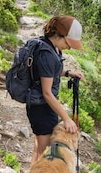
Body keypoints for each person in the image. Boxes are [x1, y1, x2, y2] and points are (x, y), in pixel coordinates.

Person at [26, 15, 84, 165]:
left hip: (41, 106)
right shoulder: (47, 55)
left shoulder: (50, 47)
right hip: (42, 108)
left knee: (39, 148)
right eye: (68, 43)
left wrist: (67, 73)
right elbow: (47, 92)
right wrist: (66, 118)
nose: (69, 47)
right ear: (58, 34)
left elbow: (49, 72)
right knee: (44, 154)